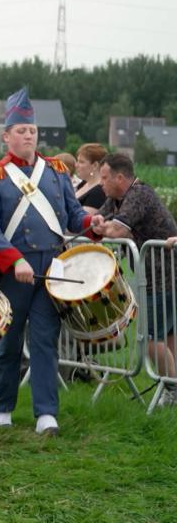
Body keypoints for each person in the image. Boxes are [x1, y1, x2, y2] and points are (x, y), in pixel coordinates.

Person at [0, 87, 94, 436]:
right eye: (22, 131)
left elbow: (72, 216)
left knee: (45, 339)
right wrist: (14, 261)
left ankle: (46, 413)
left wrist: (92, 224)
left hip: (50, 269)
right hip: (14, 271)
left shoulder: (55, 171)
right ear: (7, 136)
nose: (29, 136)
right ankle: (3, 407)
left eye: (33, 131)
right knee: (9, 341)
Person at [91, 153, 177, 405]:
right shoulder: (115, 199)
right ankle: (173, 388)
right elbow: (98, 221)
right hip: (152, 277)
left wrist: (103, 228)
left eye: (105, 178)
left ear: (120, 178)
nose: (101, 184)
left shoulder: (139, 194)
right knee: (168, 337)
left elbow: (116, 230)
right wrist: (99, 224)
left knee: (151, 340)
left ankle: (172, 390)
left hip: (163, 277)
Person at [74, 143, 108, 213]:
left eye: (81, 162)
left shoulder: (99, 192)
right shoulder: (82, 184)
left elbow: (84, 219)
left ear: (95, 165)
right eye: (77, 161)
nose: (76, 165)